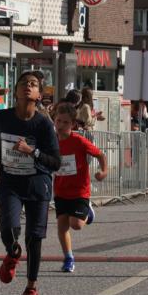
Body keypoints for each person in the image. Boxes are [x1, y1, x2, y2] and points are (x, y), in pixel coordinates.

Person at [0, 70, 61, 295]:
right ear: (15, 91)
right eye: (24, 83)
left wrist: (32, 152)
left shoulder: (44, 124)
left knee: (34, 238)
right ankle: (13, 253)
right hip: (10, 183)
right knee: (9, 228)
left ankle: (31, 289)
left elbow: (55, 162)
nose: (28, 86)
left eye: (34, 84)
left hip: (37, 184)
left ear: (38, 95)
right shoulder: (2, 117)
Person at [53, 103, 108, 273]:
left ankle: (88, 211)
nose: (60, 125)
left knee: (76, 224)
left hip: (79, 190)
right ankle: (68, 257)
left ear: (73, 125)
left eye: (65, 122)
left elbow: (100, 154)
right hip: (61, 190)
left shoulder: (78, 141)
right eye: (58, 121)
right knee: (62, 226)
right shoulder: (51, 141)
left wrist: (104, 171)